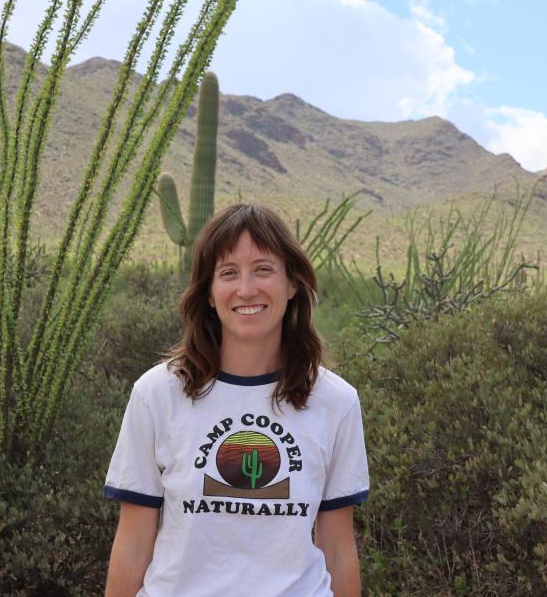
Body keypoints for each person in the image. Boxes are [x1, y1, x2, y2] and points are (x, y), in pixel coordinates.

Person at [103, 203, 370, 596]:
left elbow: (339, 550)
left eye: (263, 269)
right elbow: (133, 543)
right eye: (228, 273)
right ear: (209, 293)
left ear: (292, 284)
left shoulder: (335, 402)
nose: (246, 289)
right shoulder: (157, 394)